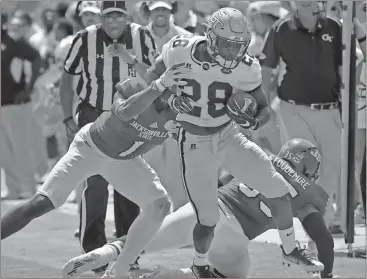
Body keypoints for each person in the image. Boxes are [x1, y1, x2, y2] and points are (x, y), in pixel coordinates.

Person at [124, 7, 324, 277]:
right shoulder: (180, 50)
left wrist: (252, 122)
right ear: (210, 36)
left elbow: (266, 109)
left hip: (228, 134)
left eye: (238, 46)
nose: (233, 52)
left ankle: (290, 249)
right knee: (207, 218)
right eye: (227, 45)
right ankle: (199, 263)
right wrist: (171, 99)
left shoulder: (247, 66)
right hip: (194, 140)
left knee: (277, 187)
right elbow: (153, 80)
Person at [1, 64, 190, 277]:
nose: (178, 92)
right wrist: (158, 88)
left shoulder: (183, 112)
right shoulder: (134, 87)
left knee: (159, 205)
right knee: (41, 203)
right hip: (90, 147)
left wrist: (184, 133)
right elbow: (125, 112)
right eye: (174, 84)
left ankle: (118, 266)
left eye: (184, 86)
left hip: (124, 161)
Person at [64, 139, 334, 278]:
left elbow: (221, 182)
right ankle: (173, 276)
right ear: (309, 169)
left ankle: (103, 252)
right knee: (232, 274)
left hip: (210, 211)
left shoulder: (263, 159)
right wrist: (328, 273)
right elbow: (322, 239)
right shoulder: (309, 193)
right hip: (237, 240)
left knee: (144, 240)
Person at [59, 1, 157, 270]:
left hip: (129, 117)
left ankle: (128, 251)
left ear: (127, 17)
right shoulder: (84, 39)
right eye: (108, 17)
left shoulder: (142, 36)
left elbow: (155, 78)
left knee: (130, 185)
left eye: (119, 17)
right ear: (101, 17)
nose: (113, 23)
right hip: (93, 115)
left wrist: (130, 60)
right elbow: (67, 79)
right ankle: (93, 251)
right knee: (95, 183)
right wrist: (67, 116)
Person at [260, 1, 343, 235]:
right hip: (293, 107)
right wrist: (265, 107)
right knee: (305, 167)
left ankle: (321, 218)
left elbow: (343, 68)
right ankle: (315, 229)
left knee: (331, 168)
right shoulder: (281, 28)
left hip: (330, 107)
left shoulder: (335, 27)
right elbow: (267, 69)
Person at [0, 12, 42, 200]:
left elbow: (37, 58)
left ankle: (29, 188)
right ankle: (13, 189)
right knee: (4, 150)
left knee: (21, 147)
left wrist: (29, 87)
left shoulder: (12, 41)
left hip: (16, 104)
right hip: (1, 103)